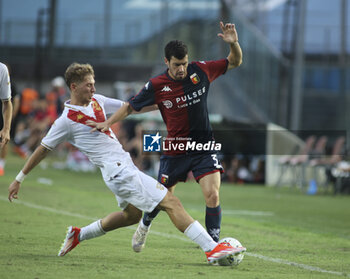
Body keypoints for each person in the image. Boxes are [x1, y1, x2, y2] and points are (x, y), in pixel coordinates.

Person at [8, 62, 245, 264]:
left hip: (122, 169)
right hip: (118, 171)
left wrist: (166, 101)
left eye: (93, 83)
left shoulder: (98, 101)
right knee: (171, 201)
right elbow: (42, 150)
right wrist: (19, 178)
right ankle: (211, 249)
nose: (93, 87)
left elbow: (130, 107)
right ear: (73, 87)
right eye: (88, 84)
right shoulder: (65, 121)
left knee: (131, 216)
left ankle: (78, 235)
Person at [88, 21, 242, 251]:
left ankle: (214, 247)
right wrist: (107, 122)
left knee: (212, 195)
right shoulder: (157, 85)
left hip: (203, 146)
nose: (182, 69)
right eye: (177, 64)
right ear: (166, 62)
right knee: (160, 199)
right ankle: (145, 223)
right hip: (175, 149)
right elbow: (131, 107)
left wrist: (234, 44)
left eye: (185, 63)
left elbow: (235, 61)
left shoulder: (200, 70)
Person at [0, 62, 13, 175]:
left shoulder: (1, 69)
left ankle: (1, 165)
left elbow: (7, 102)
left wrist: (6, 129)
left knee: (3, 143)